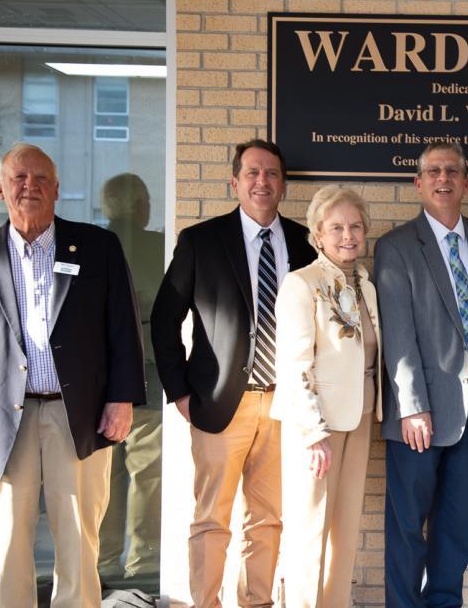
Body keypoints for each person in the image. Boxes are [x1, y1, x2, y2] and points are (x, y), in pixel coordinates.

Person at [0, 143, 145, 608]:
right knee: (6, 542)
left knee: (79, 541)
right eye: (19, 178)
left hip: (79, 417)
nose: (29, 186)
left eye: (40, 179)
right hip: (1, 421)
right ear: (0, 188)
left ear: (56, 189)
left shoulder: (98, 247)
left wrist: (121, 397)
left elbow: (123, 327)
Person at [151, 139, 317, 607]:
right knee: (211, 519)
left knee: (267, 518)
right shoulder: (201, 240)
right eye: (252, 173)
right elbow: (165, 319)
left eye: (271, 174)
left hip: (285, 402)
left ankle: (257, 603)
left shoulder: (307, 242)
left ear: (283, 183)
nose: (262, 182)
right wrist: (179, 391)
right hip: (221, 400)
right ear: (235, 181)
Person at [373, 141, 468, 606]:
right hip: (419, 413)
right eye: (432, 171)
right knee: (408, 525)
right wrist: (411, 406)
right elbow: (399, 333)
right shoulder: (395, 246)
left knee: (456, 524)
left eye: (452, 170)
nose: (443, 178)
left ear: (466, 183)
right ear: (418, 183)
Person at [271, 186, 381, 607]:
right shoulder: (302, 284)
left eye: (355, 226)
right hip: (316, 429)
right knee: (309, 530)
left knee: (345, 532)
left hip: (359, 418)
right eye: (336, 227)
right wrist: (313, 432)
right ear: (318, 234)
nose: (347, 234)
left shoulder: (365, 286)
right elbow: (294, 365)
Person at [98, 173, 165, 586]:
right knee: (148, 477)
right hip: (149, 375)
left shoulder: (90, 245)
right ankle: (144, 567)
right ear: (142, 207)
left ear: (107, 207)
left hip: (98, 381)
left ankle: (102, 566)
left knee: (104, 477)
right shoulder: (160, 246)